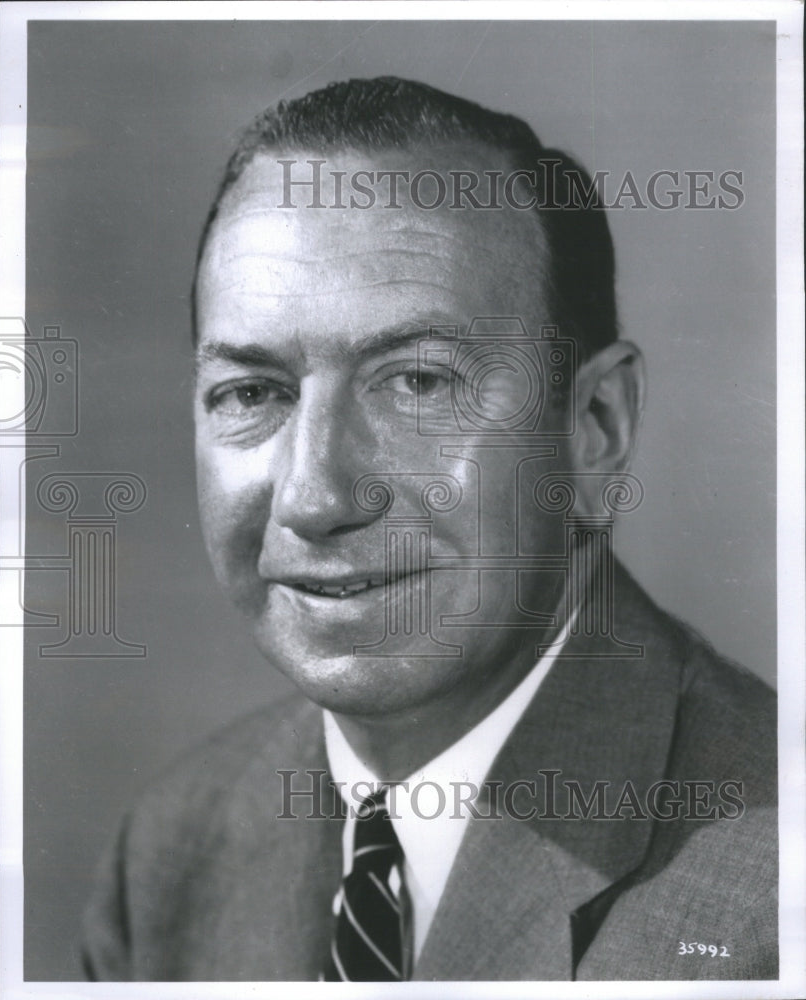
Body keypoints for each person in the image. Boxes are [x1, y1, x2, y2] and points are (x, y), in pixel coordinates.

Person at [82, 77, 776, 982]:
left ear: (594, 428)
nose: (314, 496)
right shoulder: (169, 859)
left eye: (418, 383)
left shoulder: (774, 896)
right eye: (253, 393)